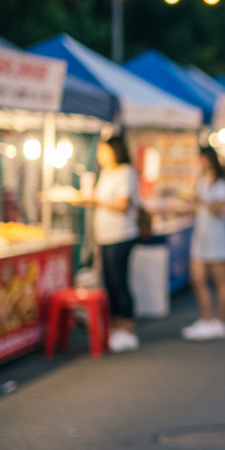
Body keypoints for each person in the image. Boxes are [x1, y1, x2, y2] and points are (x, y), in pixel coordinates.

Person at [78, 135, 141, 352]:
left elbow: (122, 204)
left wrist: (95, 200)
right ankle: (116, 326)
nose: (100, 156)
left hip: (121, 235)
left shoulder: (126, 172)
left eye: (104, 151)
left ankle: (127, 327)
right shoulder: (105, 173)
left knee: (119, 281)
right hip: (104, 235)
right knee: (110, 282)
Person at [182, 146, 225, 341]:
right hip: (201, 235)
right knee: (198, 278)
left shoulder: (221, 183)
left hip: (217, 236)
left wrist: (200, 200)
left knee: (220, 280)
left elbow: (220, 209)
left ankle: (219, 321)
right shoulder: (201, 181)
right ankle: (206, 318)